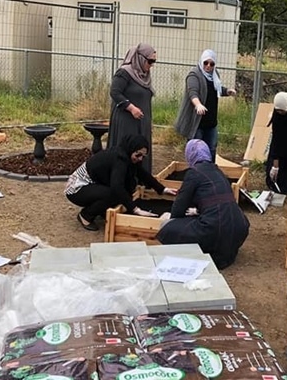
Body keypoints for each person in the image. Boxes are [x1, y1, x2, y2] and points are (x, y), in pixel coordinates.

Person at [156, 139, 250, 269]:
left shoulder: (194, 173)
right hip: (239, 227)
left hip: (215, 229)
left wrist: (170, 218)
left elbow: (179, 207)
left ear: (190, 155)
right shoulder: (218, 172)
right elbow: (217, 201)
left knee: (167, 227)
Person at [65, 135, 177, 231]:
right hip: (77, 189)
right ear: (131, 149)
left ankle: (100, 210)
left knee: (125, 190)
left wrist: (162, 189)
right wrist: (135, 209)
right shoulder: (120, 160)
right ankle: (85, 216)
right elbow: (116, 187)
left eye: (143, 156)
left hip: (92, 185)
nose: (140, 159)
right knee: (114, 194)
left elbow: (143, 174)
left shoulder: (128, 156)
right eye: (138, 155)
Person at [174, 49, 237, 162]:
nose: (208, 66)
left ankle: (210, 173)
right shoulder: (194, 75)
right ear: (201, 61)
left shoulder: (214, 75)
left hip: (211, 122)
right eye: (206, 63)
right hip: (197, 123)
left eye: (211, 64)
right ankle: (196, 173)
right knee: (196, 151)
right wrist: (198, 105)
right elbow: (193, 92)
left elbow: (216, 89)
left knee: (211, 150)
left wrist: (227, 91)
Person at [108, 43, 157, 173]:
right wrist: (131, 108)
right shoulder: (124, 73)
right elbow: (115, 92)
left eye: (154, 61)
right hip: (127, 120)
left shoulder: (144, 76)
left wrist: (148, 121)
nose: (152, 64)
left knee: (141, 149)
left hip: (142, 121)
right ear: (140, 58)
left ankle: (140, 180)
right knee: (129, 149)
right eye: (150, 61)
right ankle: (123, 180)